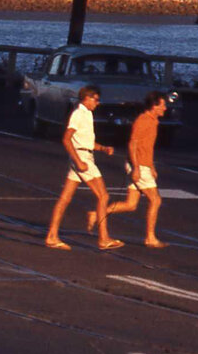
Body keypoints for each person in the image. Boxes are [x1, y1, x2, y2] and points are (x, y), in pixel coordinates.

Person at [43, 85, 122, 250]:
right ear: (86, 98)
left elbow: (85, 141)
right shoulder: (78, 114)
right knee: (103, 196)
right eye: (96, 99)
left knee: (65, 198)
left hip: (83, 156)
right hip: (82, 159)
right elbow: (66, 139)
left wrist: (103, 148)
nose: (97, 103)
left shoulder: (87, 114)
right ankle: (103, 238)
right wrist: (78, 161)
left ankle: (51, 236)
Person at [100, 91, 168, 248]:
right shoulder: (143, 121)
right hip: (138, 165)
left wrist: (152, 166)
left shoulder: (153, 121)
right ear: (154, 106)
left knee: (131, 204)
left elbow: (147, 147)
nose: (165, 108)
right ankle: (150, 237)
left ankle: (98, 214)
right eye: (162, 105)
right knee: (155, 200)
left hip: (144, 165)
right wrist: (137, 168)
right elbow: (133, 144)